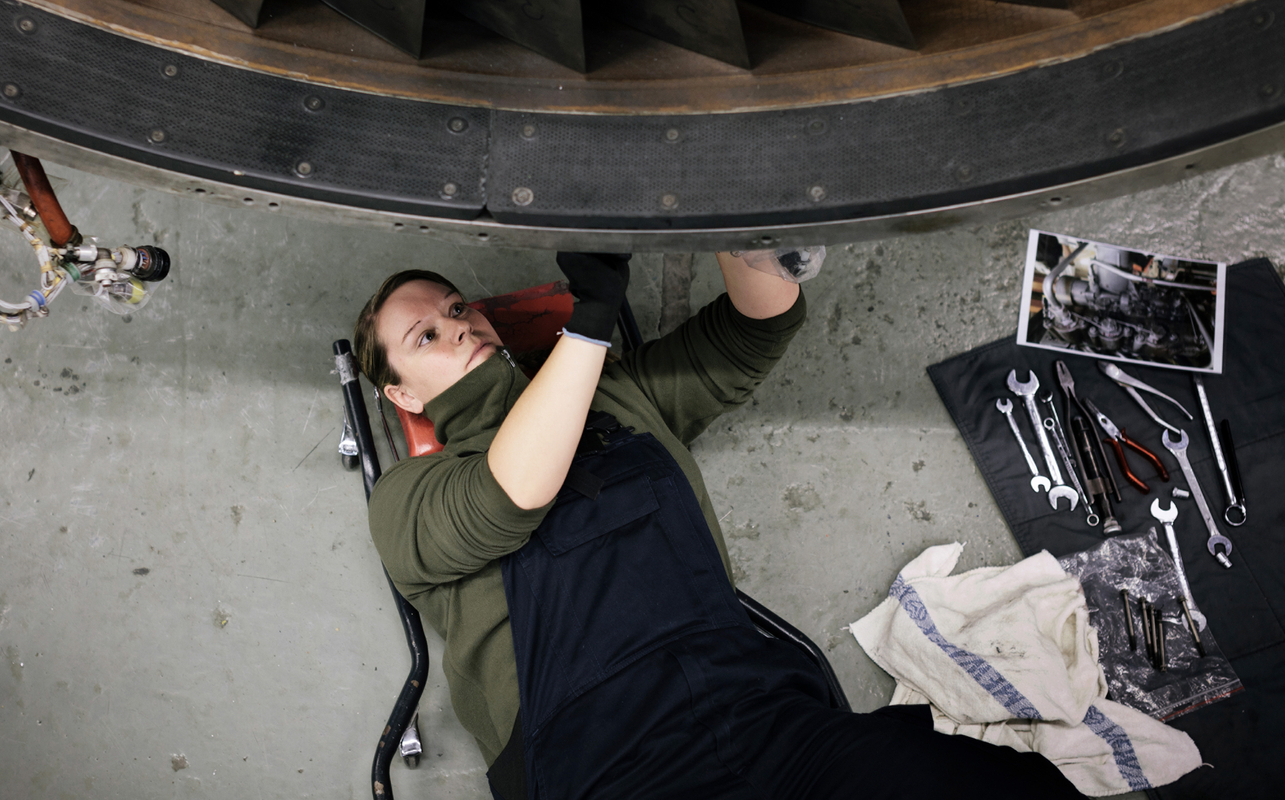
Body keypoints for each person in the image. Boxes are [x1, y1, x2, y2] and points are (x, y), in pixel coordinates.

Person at [356, 252, 1082, 799]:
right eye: (426, 336)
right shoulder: (407, 499)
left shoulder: (617, 394)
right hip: (602, 764)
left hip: (755, 707)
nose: (458, 327)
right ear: (400, 394)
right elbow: (512, 491)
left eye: (457, 309)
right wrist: (590, 321)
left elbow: (757, 325)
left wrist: (738, 226)